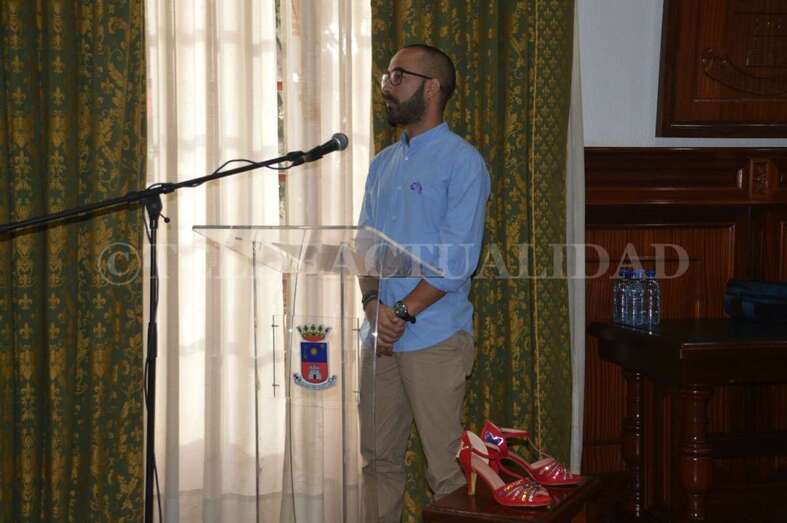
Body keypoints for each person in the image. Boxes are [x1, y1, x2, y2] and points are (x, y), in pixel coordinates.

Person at [357, 43, 491, 522]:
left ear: (431, 87)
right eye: (386, 76)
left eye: (398, 76)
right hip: (379, 336)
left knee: (446, 472)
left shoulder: (462, 162)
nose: (387, 86)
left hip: (434, 336)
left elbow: (456, 262)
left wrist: (401, 312)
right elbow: (364, 245)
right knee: (378, 463)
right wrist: (373, 306)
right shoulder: (383, 163)